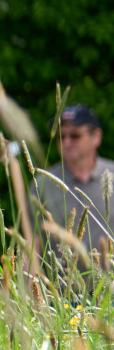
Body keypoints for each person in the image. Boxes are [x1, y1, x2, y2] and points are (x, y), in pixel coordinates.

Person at [33, 104, 114, 264]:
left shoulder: (111, 174)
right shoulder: (43, 184)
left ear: (96, 137)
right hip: (64, 279)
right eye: (60, 136)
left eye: (75, 135)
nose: (67, 142)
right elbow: (32, 243)